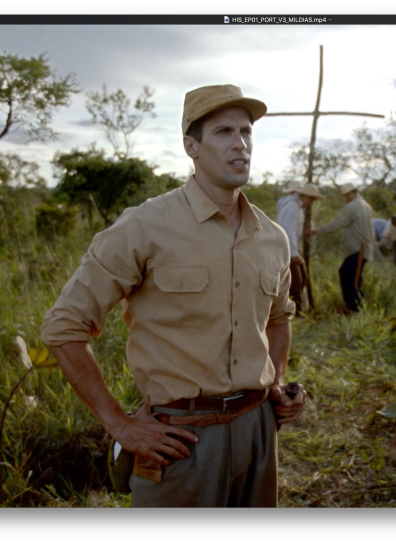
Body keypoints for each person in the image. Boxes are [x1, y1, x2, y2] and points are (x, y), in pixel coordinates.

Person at [40, 84, 307, 507]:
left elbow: (278, 319)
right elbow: (63, 327)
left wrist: (276, 382)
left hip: (259, 433)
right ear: (191, 146)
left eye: (246, 132)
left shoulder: (271, 238)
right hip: (182, 441)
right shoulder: (144, 227)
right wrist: (120, 425)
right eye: (223, 132)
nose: (240, 144)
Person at [306, 183, 374, 313]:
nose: (346, 197)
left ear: (351, 193)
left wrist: (317, 231)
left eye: (346, 195)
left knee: (350, 278)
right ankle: (355, 305)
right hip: (361, 247)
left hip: (358, 248)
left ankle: (354, 307)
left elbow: (338, 223)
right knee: (350, 275)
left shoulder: (353, 206)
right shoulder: (365, 205)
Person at [276, 183, 322, 314]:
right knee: (296, 282)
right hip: (288, 249)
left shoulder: (297, 207)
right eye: (312, 199)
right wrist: (294, 254)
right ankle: (294, 312)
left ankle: (298, 310)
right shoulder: (292, 207)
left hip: (291, 248)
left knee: (301, 279)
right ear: (306, 197)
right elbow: (289, 231)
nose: (312, 202)